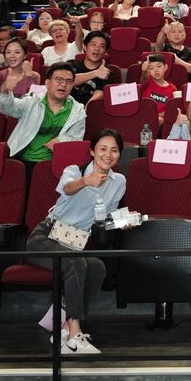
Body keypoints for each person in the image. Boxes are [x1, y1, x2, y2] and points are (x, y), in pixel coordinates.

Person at [27, 129, 132, 356]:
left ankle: (63, 325)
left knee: (97, 267)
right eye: (103, 149)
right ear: (92, 151)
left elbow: (104, 218)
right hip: (46, 236)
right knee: (76, 262)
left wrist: (122, 222)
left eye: (114, 150)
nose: (108, 154)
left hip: (75, 242)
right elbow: (67, 188)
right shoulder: (73, 170)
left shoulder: (119, 181)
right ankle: (74, 336)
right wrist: (86, 181)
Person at [0, 62, 87, 167]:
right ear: (47, 83)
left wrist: (61, 140)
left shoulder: (78, 111)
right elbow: (8, 109)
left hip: (55, 165)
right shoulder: (32, 102)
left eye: (69, 81)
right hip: (22, 159)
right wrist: (4, 90)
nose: (63, 84)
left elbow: (77, 137)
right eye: (59, 80)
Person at [69, 31, 113, 105]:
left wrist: (86, 108)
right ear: (85, 47)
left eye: (101, 46)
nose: (97, 49)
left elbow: (99, 94)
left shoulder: (107, 73)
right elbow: (66, 81)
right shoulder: (72, 64)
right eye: (93, 45)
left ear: (105, 52)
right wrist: (95, 73)